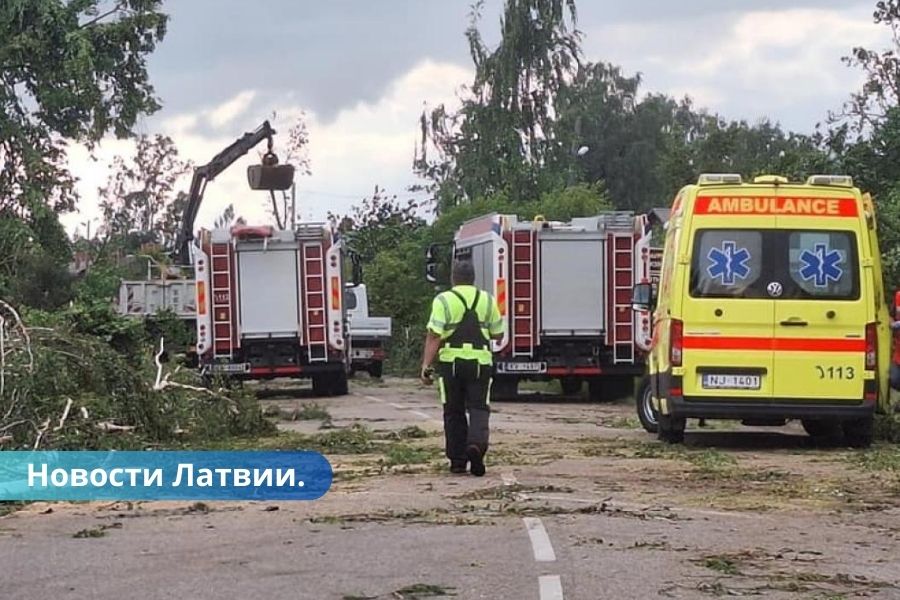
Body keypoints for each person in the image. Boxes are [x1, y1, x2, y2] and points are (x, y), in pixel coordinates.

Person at [421, 258, 504, 476]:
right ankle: (476, 446)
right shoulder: (487, 299)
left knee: (453, 411)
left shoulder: (444, 300)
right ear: (473, 278)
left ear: (453, 278)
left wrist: (426, 365)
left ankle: (458, 461)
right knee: (478, 408)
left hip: (451, 364)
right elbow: (498, 334)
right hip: (480, 363)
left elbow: (434, 335)